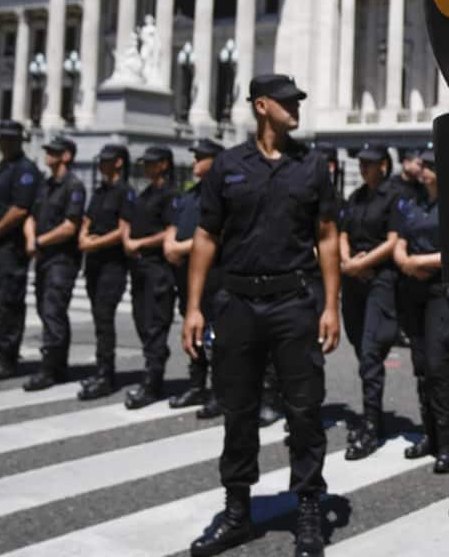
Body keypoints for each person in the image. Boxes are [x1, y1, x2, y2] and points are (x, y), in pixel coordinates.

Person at [182, 73, 340, 557]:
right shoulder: (227, 166)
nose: (297, 108)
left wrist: (331, 305)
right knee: (238, 409)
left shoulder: (312, 166)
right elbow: (206, 238)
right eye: (288, 102)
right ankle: (237, 512)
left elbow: (328, 236)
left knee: (305, 409)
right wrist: (192, 308)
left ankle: (309, 507)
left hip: (293, 301)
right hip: (237, 303)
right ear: (262, 106)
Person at [391, 148, 449, 473]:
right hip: (412, 291)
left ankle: (446, 443)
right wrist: (404, 260)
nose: (425, 169)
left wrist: (420, 261)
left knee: (436, 365)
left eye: (431, 164)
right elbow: (400, 240)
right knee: (419, 366)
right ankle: (429, 435)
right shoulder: (412, 201)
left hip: (440, 292)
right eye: (423, 164)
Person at [339, 142, 400, 460]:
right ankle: (371, 416)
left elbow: (393, 241)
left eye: (369, 163)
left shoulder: (392, 196)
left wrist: (363, 264)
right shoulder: (355, 197)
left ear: (384, 166)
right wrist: (348, 261)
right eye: (360, 162)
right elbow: (343, 233)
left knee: (371, 353)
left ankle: (372, 426)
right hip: (354, 283)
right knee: (359, 346)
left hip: (380, 280)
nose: (363, 167)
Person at [0, 120, 41, 382]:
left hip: (8, 248)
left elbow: (20, 209)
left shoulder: (25, 171)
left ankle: (7, 358)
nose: (6, 143)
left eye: (11, 139)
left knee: (8, 302)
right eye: (3, 139)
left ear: (19, 141)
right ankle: (3, 351)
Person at [167, 138, 225, 418]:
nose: (195, 162)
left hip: (214, 275)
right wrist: (171, 245)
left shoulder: (222, 194)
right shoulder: (190, 195)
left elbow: (216, 235)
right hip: (186, 274)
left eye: (201, 157)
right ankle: (196, 384)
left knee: (216, 334)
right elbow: (175, 224)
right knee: (193, 331)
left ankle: (218, 391)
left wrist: (180, 247)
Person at [23, 137, 86, 391]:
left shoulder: (74, 186)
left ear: (66, 156)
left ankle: (51, 368)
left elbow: (70, 227)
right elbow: (31, 215)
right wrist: (32, 239)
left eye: (54, 152)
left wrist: (39, 241)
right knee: (45, 309)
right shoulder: (46, 185)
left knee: (53, 311)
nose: (48, 155)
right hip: (45, 258)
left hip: (62, 260)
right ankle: (57, 365)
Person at [121, 145, 178, 409]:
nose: (146, 167)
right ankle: (155, 361)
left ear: (164, 164)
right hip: (140, 269)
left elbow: (170, 231)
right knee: (142, 322)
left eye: (151, 163)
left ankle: (152, 382)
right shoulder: (145, 193)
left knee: (155, 325)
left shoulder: (169, 195)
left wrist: (140, 243)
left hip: (157, 269)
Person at [77, 143, 131, 400]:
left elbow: (123, 231)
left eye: (107, 161)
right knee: (99, 321)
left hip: (112, 266)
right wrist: (84, 236)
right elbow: (87, 220)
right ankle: (101, 370)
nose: (101, 165)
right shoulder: (99, 191)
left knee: (104, 319)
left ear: (119, 162)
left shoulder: (124, 192)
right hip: (94, 265)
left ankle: (106, 375)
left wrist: (92, 243)